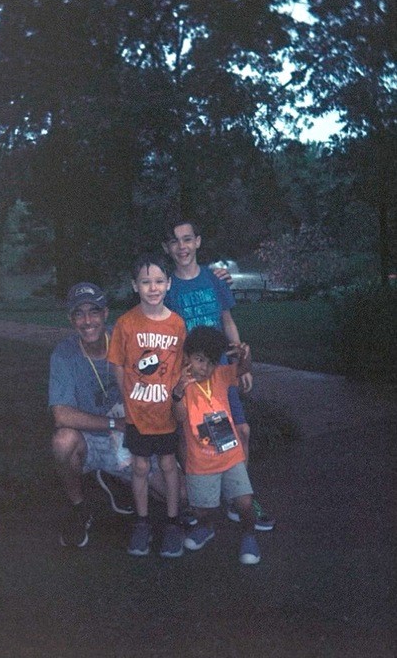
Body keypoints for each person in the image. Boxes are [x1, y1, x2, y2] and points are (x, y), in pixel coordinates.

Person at [162, 217, 275, 531]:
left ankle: (241, 497)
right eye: (174, 241)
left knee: (242, 430)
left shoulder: (214, 279)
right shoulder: (167, 287)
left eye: (187, 239)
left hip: (221, 370)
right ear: (166, 247)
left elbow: (227, 320)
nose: (182, 246)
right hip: (190, 373)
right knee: (190, 438)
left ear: (198, 241)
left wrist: (240, 361)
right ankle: (196, 499)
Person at [108, 253, 186, 558]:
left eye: (158, 281)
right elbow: (118, 364)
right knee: (140, 466)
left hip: (165, 413)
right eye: (145, 282)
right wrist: (128, 398)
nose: (153, 288)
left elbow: (179, 368)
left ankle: (172, 522)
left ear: (168, 284)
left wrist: (177, 400)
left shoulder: (176, 324)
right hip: (138, 413)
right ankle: (142, 523)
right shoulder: (126, 323)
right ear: (135, 286)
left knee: (168, 465)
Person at [49, 282, 137, 549]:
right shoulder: (64, 353)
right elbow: (61, 415)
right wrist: (114, 423)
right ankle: (78, 506)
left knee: (176, 495)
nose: (87, 321)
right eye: (79, 314)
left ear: (106, 313)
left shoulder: (125, 341)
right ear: (71, 319)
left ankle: (115, 479)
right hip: (91, 437)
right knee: (63, 441)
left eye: (94, 312)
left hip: (128, 435)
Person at [172, 325, 261, 564]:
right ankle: (206, 527)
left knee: (245, 502)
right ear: (186, 357)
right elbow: (179, 417)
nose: (205, 368)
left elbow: (243, 369)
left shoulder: (220, 375)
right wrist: (178, 392)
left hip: (231, 456)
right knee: (203, 508)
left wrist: (245, 355)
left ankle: (249, 535)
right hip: (200, 462)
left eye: (211, 362)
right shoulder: (181, 384)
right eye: (199, 360)